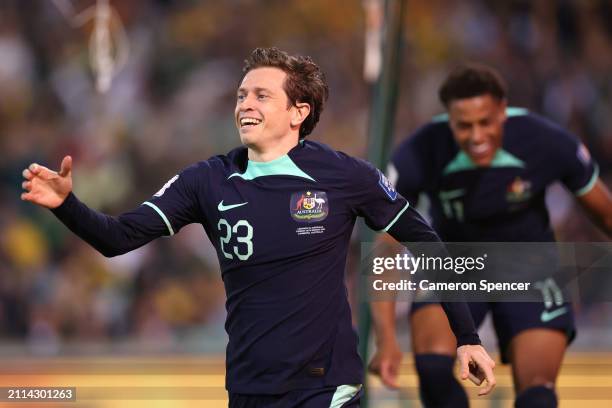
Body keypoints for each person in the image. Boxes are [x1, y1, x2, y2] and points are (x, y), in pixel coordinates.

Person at [21, 48, 495, 407]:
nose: (245, 103)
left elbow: (428, 243)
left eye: (261, 95)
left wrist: (467, 338)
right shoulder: (206, 179)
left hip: (326, 387)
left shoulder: (346, 176)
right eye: (242, 94)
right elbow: (116, 238)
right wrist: (67, 205)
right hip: (248, 388)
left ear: (298, 112)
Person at [369, 63, 612, 407]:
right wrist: (386, 340)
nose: (477, 136)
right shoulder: (419, 152)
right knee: (434, 370)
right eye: (464, 126)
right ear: (449, 120)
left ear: (503, 111)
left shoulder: (546, 141)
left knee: (538, 398)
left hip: (531, 272)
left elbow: (605, 213)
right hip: (455, 268)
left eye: (486, 122)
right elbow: (384, 250)